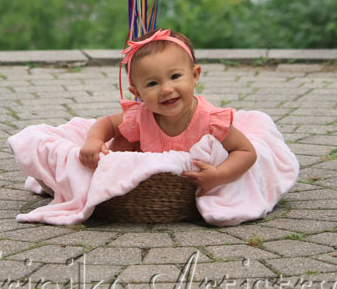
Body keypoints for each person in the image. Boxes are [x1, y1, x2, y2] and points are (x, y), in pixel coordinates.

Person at [78, 28, 258, 196]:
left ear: (194, 76)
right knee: (123, 137)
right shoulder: (141, 116)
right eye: (152, 83)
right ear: (137, 93)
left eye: (175, 77)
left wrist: (218, 175)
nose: (166, 89)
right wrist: (94, 140)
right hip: (152, 191)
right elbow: (108, 123)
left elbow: (246, 151)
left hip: (192, 187)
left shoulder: (210, 120)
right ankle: (113, 183)